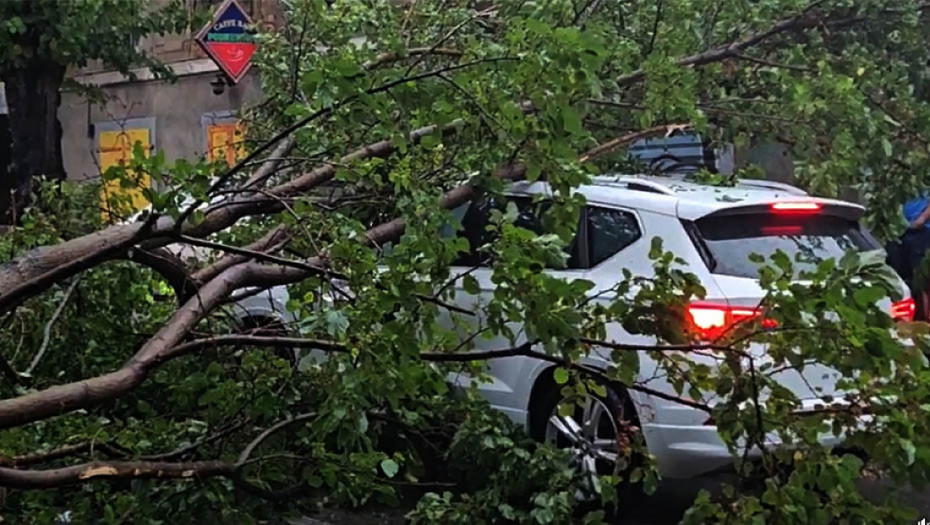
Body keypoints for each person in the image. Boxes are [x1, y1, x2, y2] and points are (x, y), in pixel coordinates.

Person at [901, 194, 930, 320]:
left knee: (920, 276)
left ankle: (925, 318)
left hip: (923, 231)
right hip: (904, 229)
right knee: (907, 275)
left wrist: (922, 218)